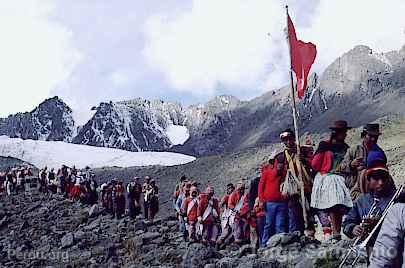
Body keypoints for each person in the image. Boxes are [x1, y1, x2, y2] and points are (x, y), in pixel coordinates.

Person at [342, 151, 397, 263]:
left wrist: (379, 222)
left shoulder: (398, 198)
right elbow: (347, 222)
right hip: (372, 251)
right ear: (368, 180)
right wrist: (353, 228)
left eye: (384, 178)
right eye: (376, 179)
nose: (380, 183)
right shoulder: (361, 201)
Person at [311, 120, 353, 242]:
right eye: (343, 132)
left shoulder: (346, 148)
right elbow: (315, 164)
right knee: (333, 205)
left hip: (341, 177)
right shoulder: (324, 145)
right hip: (327, 177)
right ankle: (335, 233)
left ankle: (337, 232)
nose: (345, 135)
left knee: (339, 206)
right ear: (337, 133)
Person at [274, 129, 315, 236]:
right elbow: (277, 175)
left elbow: (314, 164)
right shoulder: (280, 157)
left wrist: (304, 160)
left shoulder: (303, 151)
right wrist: (279, 170)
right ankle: (297, 236)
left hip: (306, 186)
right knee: (295, 214)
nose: (288, 142)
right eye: (285, 140)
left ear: (293, 138)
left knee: (309, 212)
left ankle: (311, 236)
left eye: (289, 139)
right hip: (292, 191)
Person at [340, 123, 388, 199]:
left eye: (375, 137)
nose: (373, 139)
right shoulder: (353, 150)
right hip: (354, 190)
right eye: (370, 136)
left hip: (375, 189)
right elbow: (341, 168)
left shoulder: (380, 153)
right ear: (364, 135)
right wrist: (351, 165)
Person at [259, 153, 288, 247]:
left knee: (280, 224)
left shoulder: (284, 173)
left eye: (281, 163)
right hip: (270, 202)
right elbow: (261, 187)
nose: (280, 165)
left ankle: (280, 243)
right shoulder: (266, 172)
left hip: (281, 202)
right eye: (278, 162)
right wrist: (262, 200)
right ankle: (264, 244)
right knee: (269, 224)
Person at [369, 203, 405, 268]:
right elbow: (381, 258)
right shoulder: (399, 211)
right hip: (373, 240)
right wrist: (351, 228)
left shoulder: (399, 210)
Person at [216, 183, 236, 248]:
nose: (231, 189)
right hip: (227, 216)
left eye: (232, 188)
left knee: (233, 230)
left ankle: (225, 244)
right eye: (229, 188)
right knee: (226, 231)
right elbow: (220, 205)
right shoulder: (226, 197)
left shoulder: (236, 196)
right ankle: (218, 244)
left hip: (233, 215)